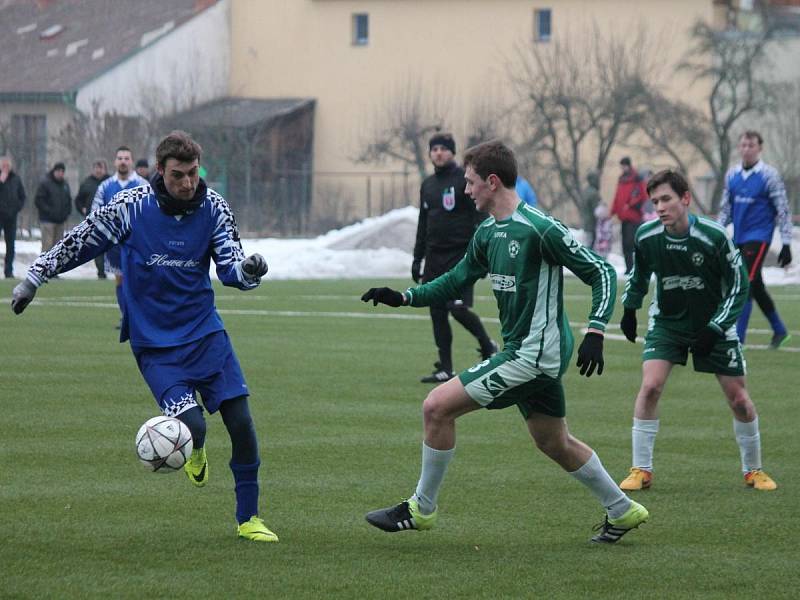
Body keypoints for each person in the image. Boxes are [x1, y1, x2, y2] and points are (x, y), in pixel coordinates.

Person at [361, 140, 648, 544]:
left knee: (436, 408)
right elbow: (456, 279)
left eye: (471, 182)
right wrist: (405, 296)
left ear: (491, 182)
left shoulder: (539, 228)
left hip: (533, 354)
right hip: (529, 350)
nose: (466, 190)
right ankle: (623, 509)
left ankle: (421, 508)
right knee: (553, 441)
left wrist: (597, 329)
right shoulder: (488, 233)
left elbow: (601, 271)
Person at [11, 130, 278, 542]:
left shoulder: (214, 208)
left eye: (193, 173)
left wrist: (249, 272)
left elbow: (230, 269)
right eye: (178, 175)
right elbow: (82, 240)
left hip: (206, 336)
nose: (188, 183)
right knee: (193, 427)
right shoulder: (130, 208)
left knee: (242, 423)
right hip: (155, 346)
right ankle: (197, 448)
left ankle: (249, 519)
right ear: (160, 171)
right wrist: (34, 276)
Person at [618, 169, 777, 493]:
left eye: (666, 199)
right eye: (655, 201)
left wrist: (716, 327)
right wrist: (630, 309)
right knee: (650, 387)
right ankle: (641, 470)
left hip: (714, 325)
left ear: (685, 199)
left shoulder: (715, 237)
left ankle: (754, 470)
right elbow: (638, 276)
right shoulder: (647, 236)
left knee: (740, 401)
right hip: (668, 323)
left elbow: (738, 286)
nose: (660, 207)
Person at [412, 132, 497, 383]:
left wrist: (480, 251)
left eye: (443, 148)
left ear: (452, 152)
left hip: (460, 256)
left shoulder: (464, 179)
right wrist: (418, 258)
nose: (438, 153)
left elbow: (479, 214)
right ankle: (446, 368)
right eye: (434, 148)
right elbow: (423, 223)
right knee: (437, 311)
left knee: (458, 309)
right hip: (434, 257)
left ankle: (488, 345)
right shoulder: (427, 185)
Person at [718, 130, 793, 349]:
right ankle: (780, 331)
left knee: (745, 282)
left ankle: (737, 340)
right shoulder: (732, 175)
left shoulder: (770, 176)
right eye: (743, 145)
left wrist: (786, 244)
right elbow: (725, 210)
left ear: (760, 148)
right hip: (739, 237)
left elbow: (783, 210)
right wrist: (717, 232)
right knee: (756, 285)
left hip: (759, 238)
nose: (746, 149)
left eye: (751, 145)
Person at [93, 147, 147, 322]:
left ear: (131, 162)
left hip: (138, 242)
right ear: (115, 162)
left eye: (126, 158)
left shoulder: (142, 185)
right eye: (120, 158)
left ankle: (137, 317)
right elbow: (96, 212)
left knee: (138, 281)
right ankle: (127, 317)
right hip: (115, 243)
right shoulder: (105, 186)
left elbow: (151, 211)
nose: (123, 161)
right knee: (120, 280)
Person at [74, 159, 109, 279]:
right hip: (93, 221)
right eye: (97, 168)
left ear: (105, 169)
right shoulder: (87, 183)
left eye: (101, 168)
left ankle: (116, 270)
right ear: (93, 169)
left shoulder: (110, 182)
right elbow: (78, 200)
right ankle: (101, 272)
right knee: (97, 247)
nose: (99, 170)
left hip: (110, 220)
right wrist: (82, 209)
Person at [611, 157, 647, 274]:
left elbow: (643, 195)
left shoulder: (637, 178)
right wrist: (612, 212)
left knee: (634, 244)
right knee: (625, 244)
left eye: (623, 166)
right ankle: (629, 268)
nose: (622, 169)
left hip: (634, 218)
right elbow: (617, 197)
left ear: (628, 165)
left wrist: (631, 204)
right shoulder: (621, 179)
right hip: (624, 218)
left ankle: (638, 268)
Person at [34, 162, 71, 253]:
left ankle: (56, 267)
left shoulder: (65, 185)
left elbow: (68, 201)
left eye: (62, 171)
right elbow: (39, 200)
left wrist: (66, 213)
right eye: (58, 171)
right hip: (47, 221)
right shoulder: (45, 183)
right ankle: (44, 266)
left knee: (58, 248)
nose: (60, 173)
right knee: (47, 247)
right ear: (54, 171)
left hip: (60, 221)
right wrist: (49, 211)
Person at [0, 155, 26, 278]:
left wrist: (17, 208)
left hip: (11, 216)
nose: (5, 168)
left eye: (7, 166)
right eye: (3, 165)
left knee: (10, 245)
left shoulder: (16, 179)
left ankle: (8, 271)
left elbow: (22, 196)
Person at [581, 170, 601, 249]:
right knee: (591, 248)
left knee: (588, 245)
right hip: (592, 224)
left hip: (586, 223)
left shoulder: (585, 191)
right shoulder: (594, 193)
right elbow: (597, 211)